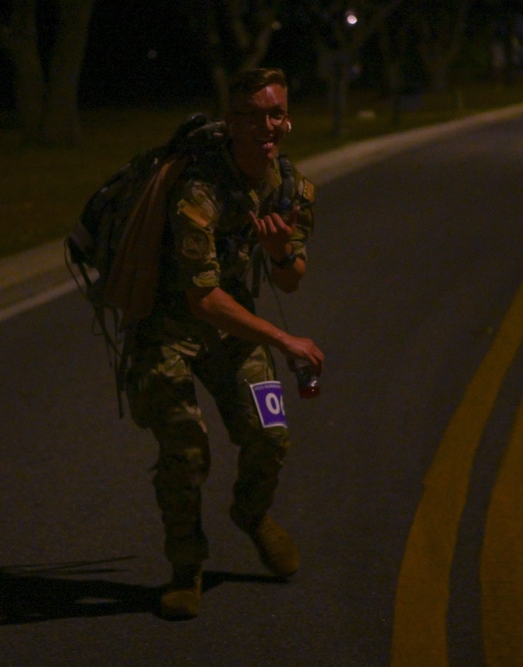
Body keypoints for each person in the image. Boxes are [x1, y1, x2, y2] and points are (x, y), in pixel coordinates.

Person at [123, 68, 323, 620]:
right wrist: (285, 339)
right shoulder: (200, 192)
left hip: (235, 330)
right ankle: (186, 569)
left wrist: (282, 253)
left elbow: (291, 277)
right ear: (231, 121)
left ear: (288, 118)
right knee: (186, 450)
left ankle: (252, 514)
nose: (268, 126)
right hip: (170, 331)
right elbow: (203, 299)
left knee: (273, 432)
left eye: (276, 113)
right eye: (253, 116)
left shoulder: (291, 187)